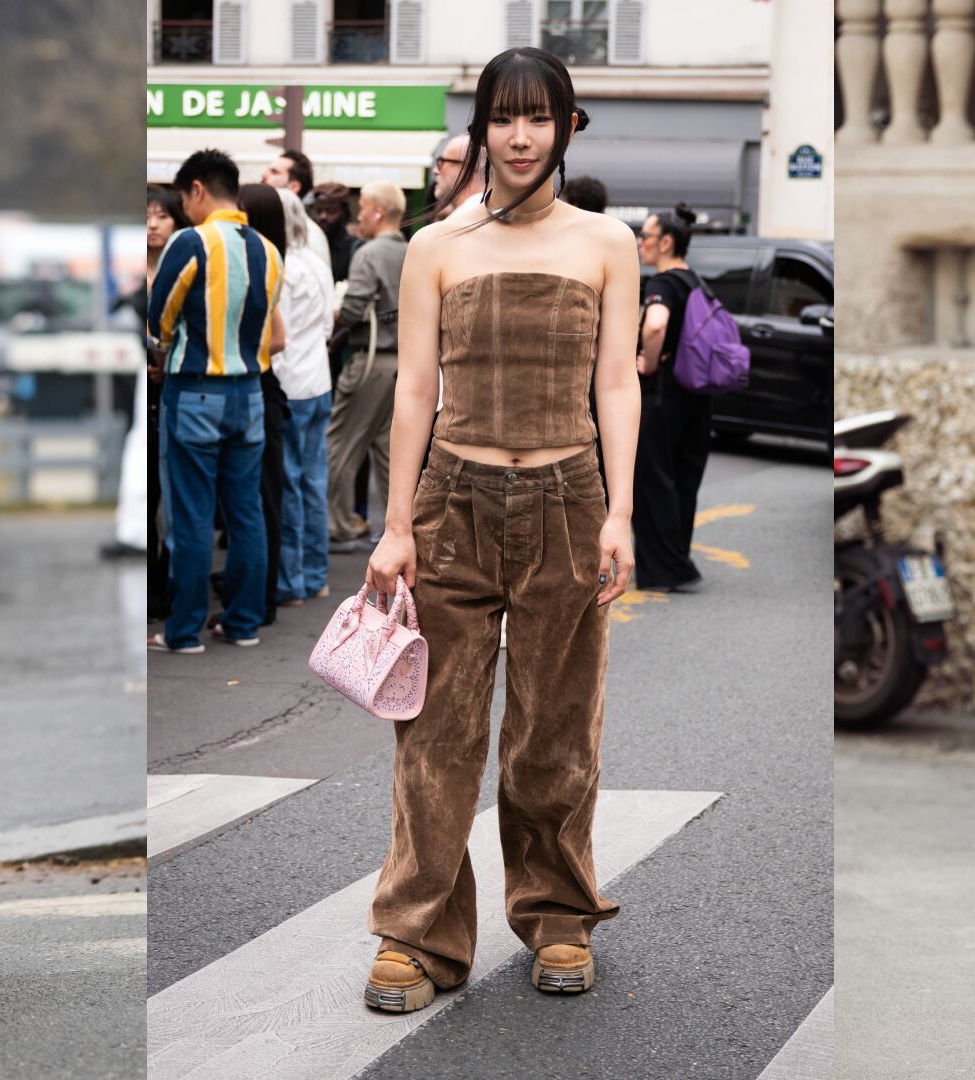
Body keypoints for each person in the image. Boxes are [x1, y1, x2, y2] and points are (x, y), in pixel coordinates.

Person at [359, 45, 640, 1015]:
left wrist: (621, 512)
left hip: (566, 499)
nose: (520, 136)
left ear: (567, 128)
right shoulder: (438, 246)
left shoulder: (606, 242)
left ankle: (558, 914)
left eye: (539, 117)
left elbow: (616, 383)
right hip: (453, 503)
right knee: (434, 731)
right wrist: (396, 525)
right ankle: (416, 933)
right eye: (502, 117)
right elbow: (414, 391)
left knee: (555, 727)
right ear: (480, 129)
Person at [147, 150, 285, 653]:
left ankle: (184, 632)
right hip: (249, 392)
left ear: (198, 190)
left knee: (192, 517)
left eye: (184, 199)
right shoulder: (270, 251)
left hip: (195, 390)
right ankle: (243, 623)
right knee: (246, 513)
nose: (185, 209)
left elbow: (158, 317)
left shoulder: (191, 241)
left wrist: (162, 349)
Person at [632, 202, 710, 593]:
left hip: (663, 394)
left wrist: (646, 360)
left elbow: (657, 323)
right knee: (683, 479)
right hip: (698, 395)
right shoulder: (696, 280)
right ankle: (677, 556)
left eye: (645, 235)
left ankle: (664, 568)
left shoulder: (662, 283)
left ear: (665, 242)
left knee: (652, 480)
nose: (640, 242)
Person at [325, 180, 407, 545]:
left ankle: (337, 523)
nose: (359, 217)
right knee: (388, 448)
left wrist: (336, 311)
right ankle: (396, 526)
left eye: (362, 210)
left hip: (369, 358)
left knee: (340, 442)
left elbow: (355, 307)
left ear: (377, 211)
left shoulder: (369, 253)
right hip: (402, 362)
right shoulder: (410, 250)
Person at [270, 185, 338, 606]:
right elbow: (328, 326)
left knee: (290, 483)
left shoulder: (281, 268)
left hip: (290, 383)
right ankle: (316, 575)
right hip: (319, 380)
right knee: (314, 480)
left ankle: (290, 581)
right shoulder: (316, 260)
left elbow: (278, 335)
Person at [235, 183, 293, 626]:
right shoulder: (267, 257)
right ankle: (259, 595)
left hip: (262, 386)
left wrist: (231, 350)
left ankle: (261, 598)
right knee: (260, 499)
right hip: (269, 388)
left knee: (259, 501)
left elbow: (278, 338)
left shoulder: (265, 263)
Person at [144, 183, 189, 617]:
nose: (153, 224)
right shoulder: (133, 274)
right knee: (149, 494)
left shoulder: (184, 266)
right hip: (146, 395)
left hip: (174, 389)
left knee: (174, 499)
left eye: (162, 215)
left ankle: (173, 590)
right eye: (146, 215)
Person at [430, 131, 485, 223]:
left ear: (468, 167)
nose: (435, 170)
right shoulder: (483, 213)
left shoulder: (462, 223)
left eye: (442, 161)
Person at [309, 181, 356, 283]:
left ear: (344, 213)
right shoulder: (308, 247)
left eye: (330, 211)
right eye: (318, 211)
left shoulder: (355, 249)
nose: (323, 217)